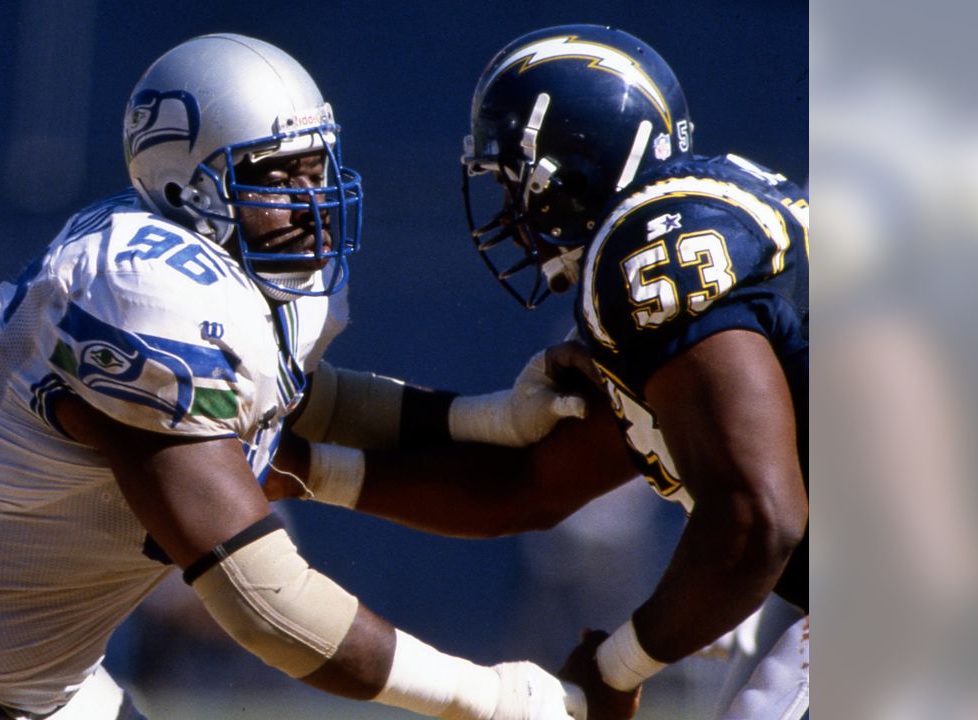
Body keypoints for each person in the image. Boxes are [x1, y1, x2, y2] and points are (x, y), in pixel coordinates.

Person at [0, 32, 592, 720]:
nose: (312, 201)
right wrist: (483, 697)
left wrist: (491, 417)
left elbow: (301, 401)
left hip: (25, 675)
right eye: (277, 176)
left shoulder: (252, 293)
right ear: (185, 189)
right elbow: (262, 598)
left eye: (318, 168)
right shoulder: (145, 289)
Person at [269, 24, 809, 720]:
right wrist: (300, 469)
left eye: (512, 182)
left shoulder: (653, 249)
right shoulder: (683, 237)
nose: (508, 213)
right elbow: (527, 487)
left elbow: (759, 520)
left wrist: (617, 666)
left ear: (567, 171)